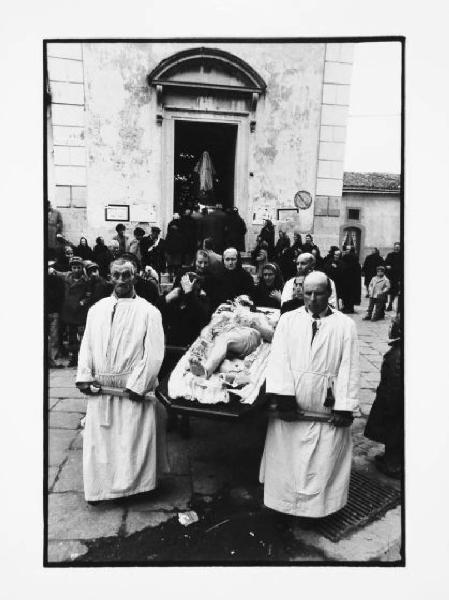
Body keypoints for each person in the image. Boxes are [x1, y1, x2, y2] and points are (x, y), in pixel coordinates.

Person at [259, 271, 360, 517]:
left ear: (329, 294)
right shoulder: (288, 320)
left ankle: (316, 511)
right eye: (308, 293)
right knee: (287, 459)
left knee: (322, 462)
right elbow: (279, 360)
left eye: (319, 293)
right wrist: (284, 399)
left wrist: (344, 406)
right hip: (293, 405)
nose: (313, 299)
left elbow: (349, 366)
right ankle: (283, 505)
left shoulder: (345, 325)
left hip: (325, 405)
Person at [76, 257, 167, 503]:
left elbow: (154, 353)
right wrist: (85, 376)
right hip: (101, 388)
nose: (121, 280)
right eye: (116, 275)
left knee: (131, 442)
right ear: (109, 277)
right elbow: (87, 345)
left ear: (135, 277)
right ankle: (101, 488)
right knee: (102, 445)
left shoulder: (149, 312)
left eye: (126, 275)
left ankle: (135, 488)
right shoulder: (97, 310)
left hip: (131, 389)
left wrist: (139, 384)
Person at [189, 300, 275, 379]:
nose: (238, 302)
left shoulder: (257, 315)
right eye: (237, 301)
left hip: (246, 333)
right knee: (216, 346)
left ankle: (206, 371)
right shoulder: (226, 314)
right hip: (224, 337)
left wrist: (252, 324)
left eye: (243, 302)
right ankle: (223, 373)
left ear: (251, 304)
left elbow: (272, 336)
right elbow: (208, 328)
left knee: (224, 339)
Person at [364, 316, 402, 479]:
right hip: (391, 400)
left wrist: (387, 406)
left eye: (393, 324)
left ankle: (393, 465)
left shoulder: (397, 355)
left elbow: (394, 386)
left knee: (394, 431)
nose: (390, 327)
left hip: (392, 403)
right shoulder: (398, 350)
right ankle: (390, 457)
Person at [54, 256, 90, 367]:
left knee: (82, 336)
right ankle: (74, 358)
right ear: (71, 268)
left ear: (82, 268)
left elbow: (88, 294)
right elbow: (57, 273)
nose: (76, 270)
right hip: (69, 311)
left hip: (80, 312)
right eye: (74, 267)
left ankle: (83, 358)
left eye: (78, 267)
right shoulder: (67, 276)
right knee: (71, 336)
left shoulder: (86, 280)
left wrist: (83, 302)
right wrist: (52, 270)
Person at [47, 258, 65, 367]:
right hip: (51, 310)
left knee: (54, 337)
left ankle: (53, 359)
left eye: (50, 267)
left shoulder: (57, 280)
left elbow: (60, 295)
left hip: (54, 311)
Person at [340, 246, 362, 314]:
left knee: (347, 294)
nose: (346, 250)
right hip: (353, 280)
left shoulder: (346, 257)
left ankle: (347, 308)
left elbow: (343, 267)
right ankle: (350, 308)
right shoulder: (355, 258)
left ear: (351, 250)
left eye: (348, 249)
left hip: (347, 279)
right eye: (346, 249)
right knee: (351, 294)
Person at [384, 242, 402, 311]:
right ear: (394, 247)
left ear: (400, 248)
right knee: (389, 291)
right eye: (396, 247)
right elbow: (385, 263)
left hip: (398, 276)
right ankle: (389, 304)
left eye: (398, 247)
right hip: (390, 276)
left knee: (395, 291)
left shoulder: (402, 255)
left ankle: (391, 304)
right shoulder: (390, 255)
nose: (397, 248)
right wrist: (387, 266)